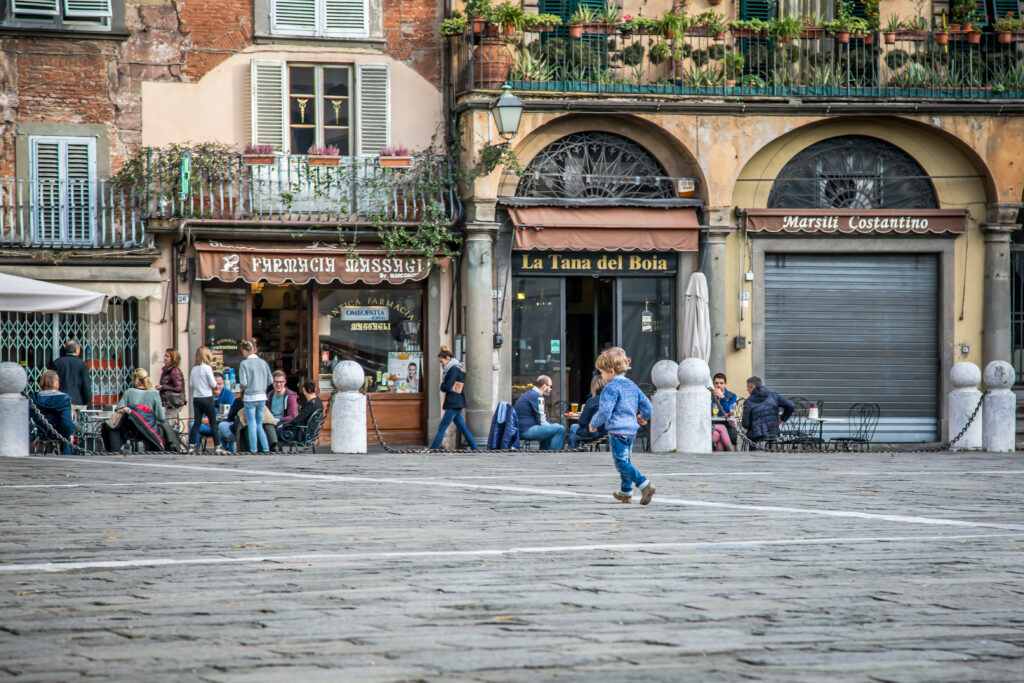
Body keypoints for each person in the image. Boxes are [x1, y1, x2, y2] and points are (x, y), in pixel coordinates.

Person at [589, 347, 655, 505]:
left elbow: (605, 411)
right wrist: (642, 417)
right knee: (626, 461)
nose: (602, 377)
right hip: (631, 431)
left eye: (602, 373)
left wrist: (593, 424)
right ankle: (626, 493)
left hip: (617, 431)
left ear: (611, 371)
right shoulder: (632, 385)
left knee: (621, 463)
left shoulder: (610, 387)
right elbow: (648, 407)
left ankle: (644, 484)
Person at [101, 368, 167, 452]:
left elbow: (119, 410)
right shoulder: (154, 394)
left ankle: (115, 451)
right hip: (149, 431)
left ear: (138, 380)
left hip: (131, 431)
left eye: (134, 379)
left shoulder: (129, 392)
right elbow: (161, 417)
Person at [428, 347, 478, 451]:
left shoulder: (454, 369)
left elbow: (446, 386)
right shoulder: (451, 369)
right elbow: (447, 386)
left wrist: (443, 386)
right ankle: (475, 448)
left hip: (453, 403)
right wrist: (444, 386)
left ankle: (432, 449)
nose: (441, 364)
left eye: (441, 361)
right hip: (455, 403)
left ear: (447, 358)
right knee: (463, 429)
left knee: (442, 427)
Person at [186, 346, 225, 454]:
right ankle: (217, 446)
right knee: (213, 422)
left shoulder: (194, 369)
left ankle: (192, 445)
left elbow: (191, 384)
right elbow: (213, 384)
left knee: (197, 422)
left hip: (196, 398)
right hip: (207, 397)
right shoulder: (207, 368)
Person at [741, 376, 795, 450]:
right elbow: (791, 405)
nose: (747, 390)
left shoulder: (748, 402)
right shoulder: (774, 396)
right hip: (773, 434)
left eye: (748, 387)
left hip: (755, 437)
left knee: (752, 458)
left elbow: (745, 424)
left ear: (752, 387)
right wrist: (782, 419)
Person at [238, 339, 273, 453]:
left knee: (252, 424)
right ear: (255, 350)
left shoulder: (244, 364)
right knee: (259, 424)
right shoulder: (263, 363)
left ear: (244, 351)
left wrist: (246, 388)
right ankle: (266, 448)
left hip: (250, 397)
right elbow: (270, 380)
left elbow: (243, 383)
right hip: (262, 396)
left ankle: (253, 450)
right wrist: (262, 386)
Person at [513, 375, 565, 450]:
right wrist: (553, 425)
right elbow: (542, 421)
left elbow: (540, 419)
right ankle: (554, 455)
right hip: (526, 430)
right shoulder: (538, 397)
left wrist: (551, 425)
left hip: (521, 429)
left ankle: (544, 455)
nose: (550, 389)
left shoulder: (530, 394)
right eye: (550, 386)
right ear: (544, 386)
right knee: (561, 429)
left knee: (551, 429)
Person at [30, 370, 75, 454]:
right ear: (55, 382)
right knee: (74, 425)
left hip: (41, 434)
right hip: (59, 433)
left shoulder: (33, 398)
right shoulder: (63, 398)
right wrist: (67, 436)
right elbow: (66, 423)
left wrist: (34, 435)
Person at [277, 380, 324, 446]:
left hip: (303, 435)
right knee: (278, 424)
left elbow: (298, 420)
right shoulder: (319, 402)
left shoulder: (310, 405)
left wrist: (285, 425)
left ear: (304, 390)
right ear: (315, 389)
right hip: (310, 432)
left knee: (276, 431)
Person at [48, 340, 92, 407]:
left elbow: (50, 382)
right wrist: (88, 402)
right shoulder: (82, 364)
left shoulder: (57, 362)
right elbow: (86, 386)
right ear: (77, 350)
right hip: (77, 402)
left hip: (59, 400)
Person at [196, 372, 234, 446]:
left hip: (221, 424)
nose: (217, 387)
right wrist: (202, 419)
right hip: (208, 424)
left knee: (225, 427)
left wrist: (213, 418)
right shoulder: (205, 394)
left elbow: (228, 415)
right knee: (193, 425)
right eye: (215, 384)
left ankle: (228, 452)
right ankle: (195, 450)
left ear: (223, 384)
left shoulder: (229, 394)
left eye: (220, 384)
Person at [568, 375, 607, 449]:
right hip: (606, 433)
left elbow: (582, 422)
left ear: (593, 386)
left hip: (593, 432)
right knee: (573, 436)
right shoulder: (611, 400)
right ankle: (573, 452)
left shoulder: (591, 400)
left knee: (572, 427)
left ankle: (571, 453)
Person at [267, 370, 298, 446]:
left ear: (285, 382)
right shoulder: (270, 394)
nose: (278, 384)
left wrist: (279, 420)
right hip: (271, 423)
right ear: (272, 382)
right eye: (276, 382)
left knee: (271, 432)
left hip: (285, 426)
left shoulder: (290, 395)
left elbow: (293, 416)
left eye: (281, 382)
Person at [711, 372, 738, 451]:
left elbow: (728, 412)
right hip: (713, 424)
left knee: (719, 435)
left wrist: (722, 398)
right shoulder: (709, 395)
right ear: (713, 384)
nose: (718, 385)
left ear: (725, 384)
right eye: (716, 383)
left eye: (721, 383)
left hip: (726, 423)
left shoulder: (732, 396)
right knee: (717, 433)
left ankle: (720, 459)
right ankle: (731, 452)